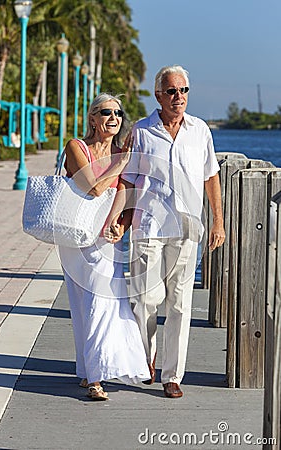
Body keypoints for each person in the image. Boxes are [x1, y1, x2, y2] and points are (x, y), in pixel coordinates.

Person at [116, 65, 226, 398]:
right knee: (145, 300)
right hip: (148, 226)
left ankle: (172, 375)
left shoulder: (200, 130)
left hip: (187, 228)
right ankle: (145, 361)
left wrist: (218, 222)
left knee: (180, 303)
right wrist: (120, 220)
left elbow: (211, 178)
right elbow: (128, 179)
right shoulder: (142, 131)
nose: (179, 97)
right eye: (172, 91)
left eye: (184, 90)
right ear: (159, 95)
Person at [58, 93, 150, 401]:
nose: (114, 117)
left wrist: (122, 225)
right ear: (93, 118)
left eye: (118, 113)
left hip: (105, 238)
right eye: (106, 112)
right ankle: (87, 370)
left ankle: (94, 377)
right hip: (76, 236)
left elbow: (126, 195)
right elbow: (94, 187)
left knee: (102, 302)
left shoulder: (122, 154)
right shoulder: (76, 147)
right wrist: (119, 163)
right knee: (81, 302)